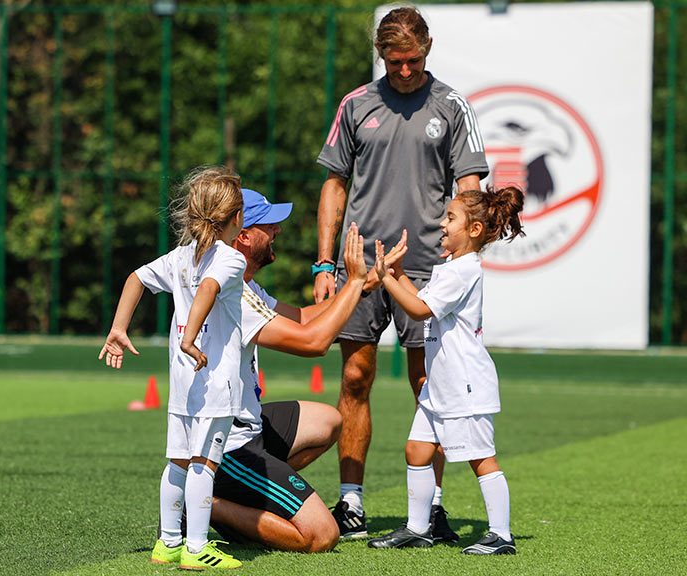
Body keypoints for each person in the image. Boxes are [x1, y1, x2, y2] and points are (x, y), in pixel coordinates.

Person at [313, 6, 489, 541]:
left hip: (428, 269)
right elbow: (335, 185)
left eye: (412, 60)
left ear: (428, 48)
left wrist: (459, 258)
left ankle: (431, 508)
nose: (405, 71)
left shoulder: (453, 105)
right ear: (380, 55)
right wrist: (325, 261)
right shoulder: (357, 104)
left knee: (426, 384)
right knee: (354, 378)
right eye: (394, 62)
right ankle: (351, 502)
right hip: (361, 265)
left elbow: (471, 189)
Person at [206, 188, 406, 553]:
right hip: (227, 445)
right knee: (321, 535)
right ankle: (204, 505)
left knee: (328, 420)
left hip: (242, 424)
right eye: (270, 224)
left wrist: (365, 285)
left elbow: (301, 317)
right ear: (245, 235)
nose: (278, 230)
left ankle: (238, 497)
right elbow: (311, 342)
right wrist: (356, 282)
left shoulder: (240, 281)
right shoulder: (230, 292)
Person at [99, 166, 247, 569]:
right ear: (236, 217)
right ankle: (197, 548)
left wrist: (118, 328)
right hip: (214, 379)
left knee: (178, 461)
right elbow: (209, 289)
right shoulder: (231, 258)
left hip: (183, 382)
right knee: (204, 463)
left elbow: (136, 278)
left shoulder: (180, 257)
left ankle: (167, 543)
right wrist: (189, 337)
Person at [367, 186, 524, 555]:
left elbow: (420, 312)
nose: (442, 223)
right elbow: (422, 301)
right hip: (440, 385)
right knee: (417, 450)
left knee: (480, 457)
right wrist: (401, 274)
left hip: (464, 384)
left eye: (450, 218)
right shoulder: (452, 268)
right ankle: (418, 528)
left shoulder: (464, 270)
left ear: (473, 230)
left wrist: (385, 277)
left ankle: (501, 535)